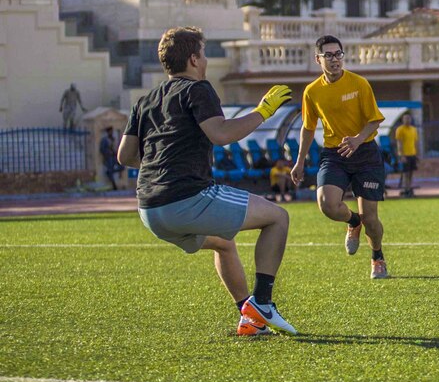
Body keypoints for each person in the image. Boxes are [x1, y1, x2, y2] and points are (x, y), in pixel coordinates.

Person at [117, 26, 295, 337]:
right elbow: (222, 134)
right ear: (194, 58)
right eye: (204, 53)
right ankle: (263, 303)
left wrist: (162, 166)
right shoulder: (197, 89)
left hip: (149, 210)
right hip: (185, 198)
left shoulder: (145, 100)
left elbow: (125, 156)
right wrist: (263, 112)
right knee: (278, 217)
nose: (206, 60)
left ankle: (248, 318)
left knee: (224, 244)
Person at [290, 35, 390, 279]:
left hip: (365, 152)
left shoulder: (359, 83)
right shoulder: (312, 92)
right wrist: (300, 161)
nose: (335, 60)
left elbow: (375, 119)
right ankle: (353, 220)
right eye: (329, 55)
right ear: (318, 59)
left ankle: (377, 256)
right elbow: (308, 128)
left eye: (338, 54)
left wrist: (356, 139)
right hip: (335, 154)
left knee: (372, 219)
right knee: (327, 204)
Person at [395, 113, 419, 198]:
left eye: (409, 118)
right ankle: (405, 189)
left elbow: (415, 142)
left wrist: (416, 154)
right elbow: (399, 143)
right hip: (405, 155)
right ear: (402, 120)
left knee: (411, 173)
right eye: (405, 118)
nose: (407, 120)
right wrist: (401, 155)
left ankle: (409, 189)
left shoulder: (414, 129)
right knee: (405, 173)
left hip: (412, 154)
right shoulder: (400, 129)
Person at [99, 126, 121, 190]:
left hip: (114, 156)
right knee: (110, 170)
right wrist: (108, 152)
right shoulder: (105, 140)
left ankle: (109, 172)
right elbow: (102, 149)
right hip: (108, 158)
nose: (111, 132)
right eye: (110, 131)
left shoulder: (113, 139)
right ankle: (114, 185)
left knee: (121, 167)